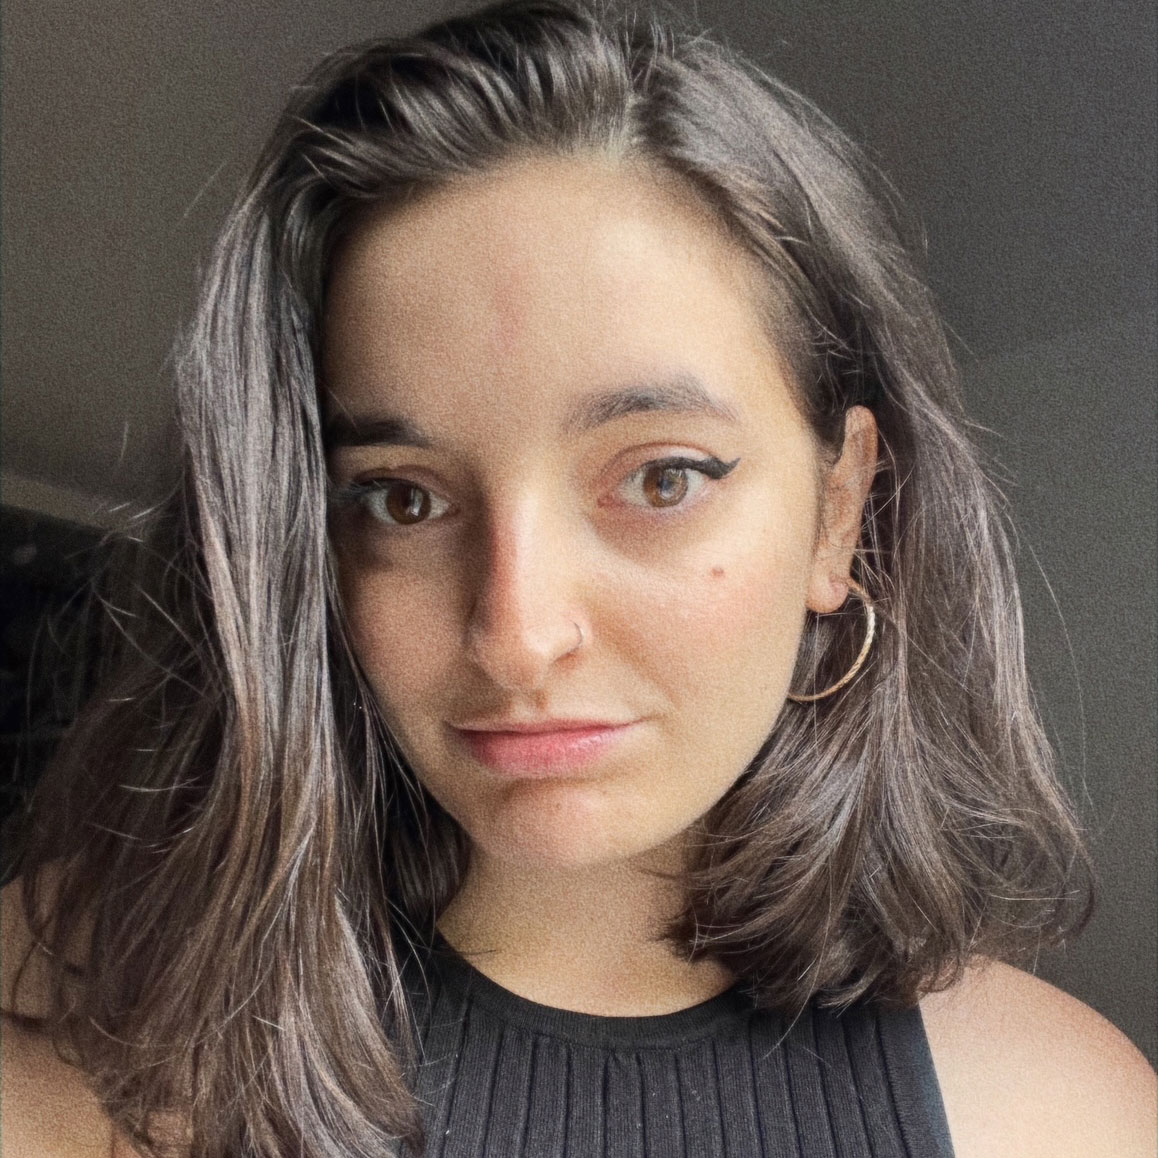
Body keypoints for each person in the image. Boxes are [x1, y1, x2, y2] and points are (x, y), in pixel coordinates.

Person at [2, 1, 1154, 1155]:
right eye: (403, 499)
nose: (516, 634)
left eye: (660, 478)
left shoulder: (1057, 1115)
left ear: (838, 511)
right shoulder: (81, 1028)